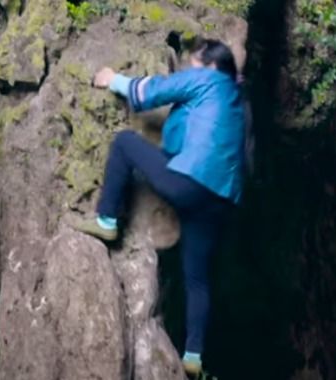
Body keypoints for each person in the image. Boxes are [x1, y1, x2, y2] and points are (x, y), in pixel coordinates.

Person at [74, 39, 246, 376]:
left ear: (210, 65)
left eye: (192, 63)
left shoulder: (207, 79)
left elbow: (155, 90)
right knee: (197, 278)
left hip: (191, 181)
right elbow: (194, 136)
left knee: (124, 143)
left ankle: (107, 219)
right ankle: (194, 356)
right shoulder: (236, 100)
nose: (188, 69)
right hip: (220, 200)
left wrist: (114, 80)